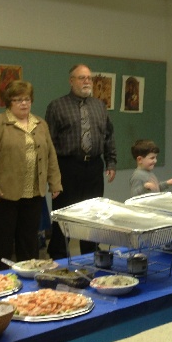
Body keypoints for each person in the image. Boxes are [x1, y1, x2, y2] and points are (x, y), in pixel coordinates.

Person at [0, 80, 62, 272]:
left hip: (33, 193)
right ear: (9, 102)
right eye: (17, 100)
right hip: (3, 194)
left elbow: (51, 155)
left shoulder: (40, 124)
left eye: (26, 99)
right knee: (0, 243)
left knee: (29, 242)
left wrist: (54, 183)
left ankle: (28, 281)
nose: (23, 103)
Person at [45, 64, 117, 259]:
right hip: (67, 167)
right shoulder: (57, 106)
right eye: (81, 78)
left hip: (93, 167)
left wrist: (110, 162)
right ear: (71, 81)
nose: (87, 81)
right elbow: (48, 143)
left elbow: (108, 135)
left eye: (89, 78)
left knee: (93, 214)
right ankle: (59, 255)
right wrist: (51, 175)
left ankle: (90, 252)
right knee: (64, 214)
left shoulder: (99, 106)